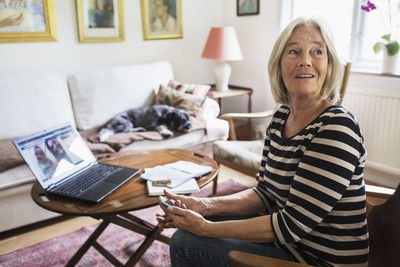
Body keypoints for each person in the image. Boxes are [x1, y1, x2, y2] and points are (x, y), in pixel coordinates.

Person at [157, 17, 369, 266]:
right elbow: (266, 194)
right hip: (289, 245)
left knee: (186, 242)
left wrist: (205, 228)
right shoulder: (281, 117)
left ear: (330, 66)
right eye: (294, 51)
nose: (305, 60)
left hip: (317, 260)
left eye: (317, 52)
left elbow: (291, 225)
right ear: (279, 65)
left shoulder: (336, 127)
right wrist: (203, 205)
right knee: (192, 229)